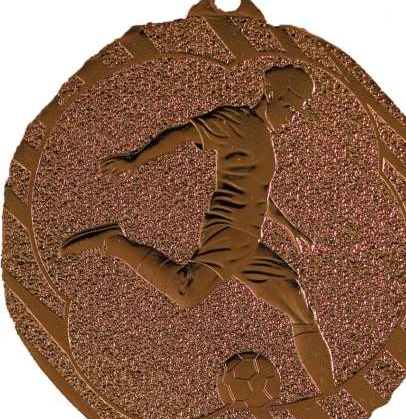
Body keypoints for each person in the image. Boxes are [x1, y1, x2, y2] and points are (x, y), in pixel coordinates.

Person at [60, 66, 335, 393]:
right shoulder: (235, 122)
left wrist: (289, 227)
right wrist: (135, 160)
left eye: (297, 111)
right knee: (187, 292)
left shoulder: (262, 135)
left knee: (299, 306)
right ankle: (114, 243)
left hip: (248, 237)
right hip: (228, 230)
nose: (291, 117)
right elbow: (180, 134)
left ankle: (329, 393)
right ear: (271, 94)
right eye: (289, 106)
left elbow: (257, 191)